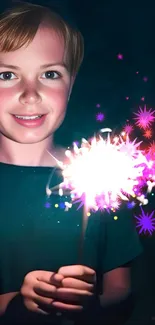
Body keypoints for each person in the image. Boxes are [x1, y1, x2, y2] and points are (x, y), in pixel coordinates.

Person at [0, 2, 142, 324]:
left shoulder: (102, 176)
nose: (30, 94)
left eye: (50, 74)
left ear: (72, 82)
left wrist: (90, 303)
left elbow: (120, 287)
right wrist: (13, 304)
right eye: (7, 75)